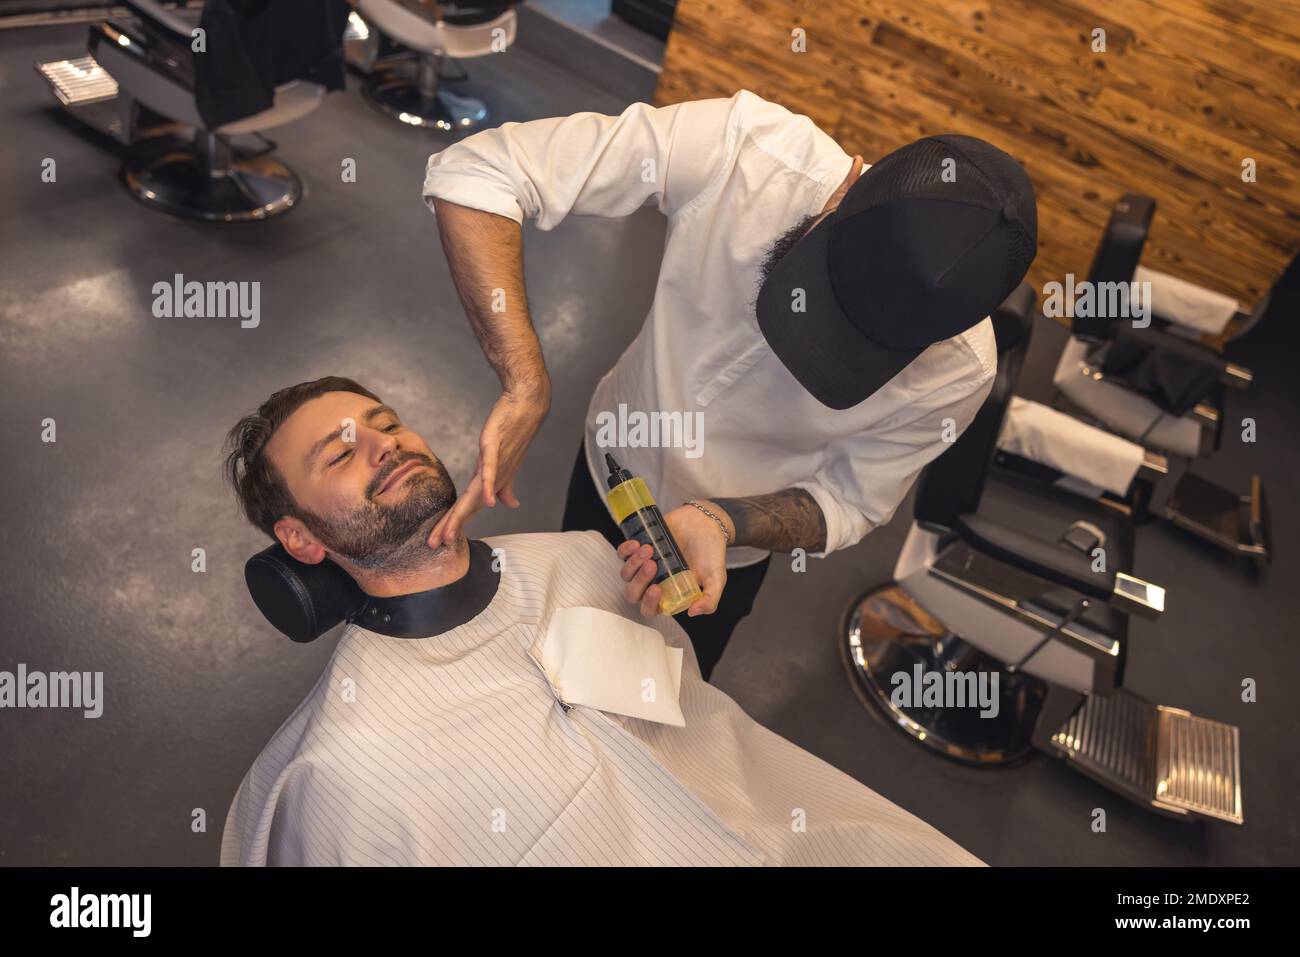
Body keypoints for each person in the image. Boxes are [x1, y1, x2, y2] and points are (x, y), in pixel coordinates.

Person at [218, 377, 983, 866]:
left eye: (386, 422)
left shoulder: (585, 558)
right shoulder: (349, 762)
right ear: (301, 539)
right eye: (341, 454)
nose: (386, 443)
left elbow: (703, 724)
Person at [421, 89, 1038, 679]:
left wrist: (722, 522)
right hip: (611, 461)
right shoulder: (743, 149)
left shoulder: (961, 371)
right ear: (847, 187)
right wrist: (524, 382)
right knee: (551, 656)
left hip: (722, 553)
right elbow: (477, 173)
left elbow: (849, 499)